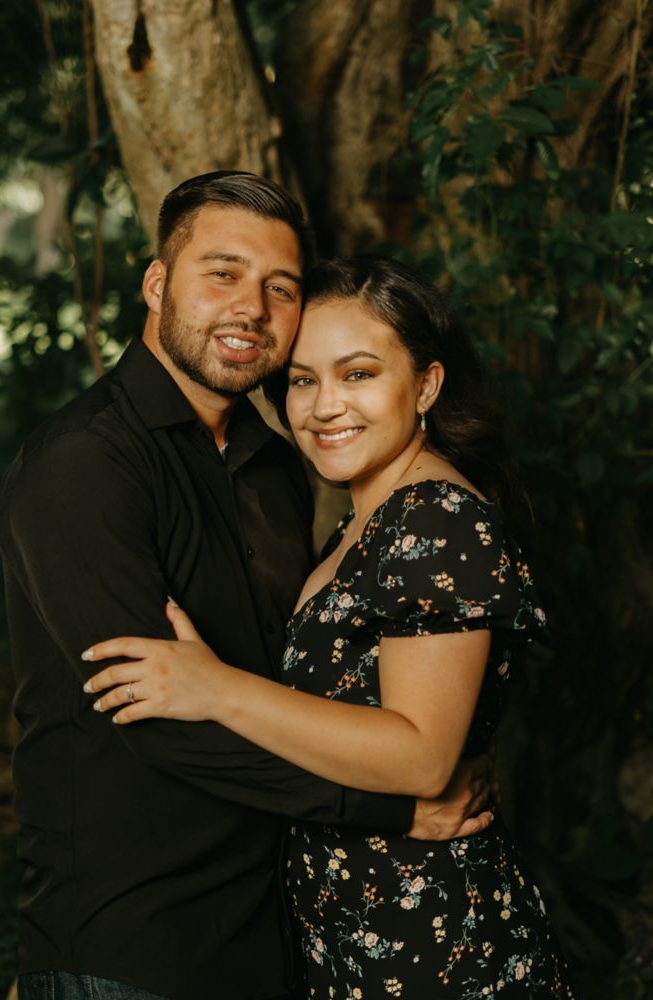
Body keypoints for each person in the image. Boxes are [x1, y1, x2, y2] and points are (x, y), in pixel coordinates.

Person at [0, 173, 492, 1000]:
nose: (252, 308)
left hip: (274, 931)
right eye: (222, 273)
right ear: (157, 284)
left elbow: (282, 688)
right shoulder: (83, 463)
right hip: (134, 945)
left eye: (280, 288)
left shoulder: (276, 467)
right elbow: (160, 724)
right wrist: (395, 809)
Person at [83, 256, 575, 998]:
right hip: (352, 931)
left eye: (358, 374)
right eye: (303, 380)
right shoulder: (364, 519)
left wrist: (215, 689)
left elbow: (422, 760)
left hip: (430, 944)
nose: (323, 407)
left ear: (427, 386)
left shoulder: (435, 518)